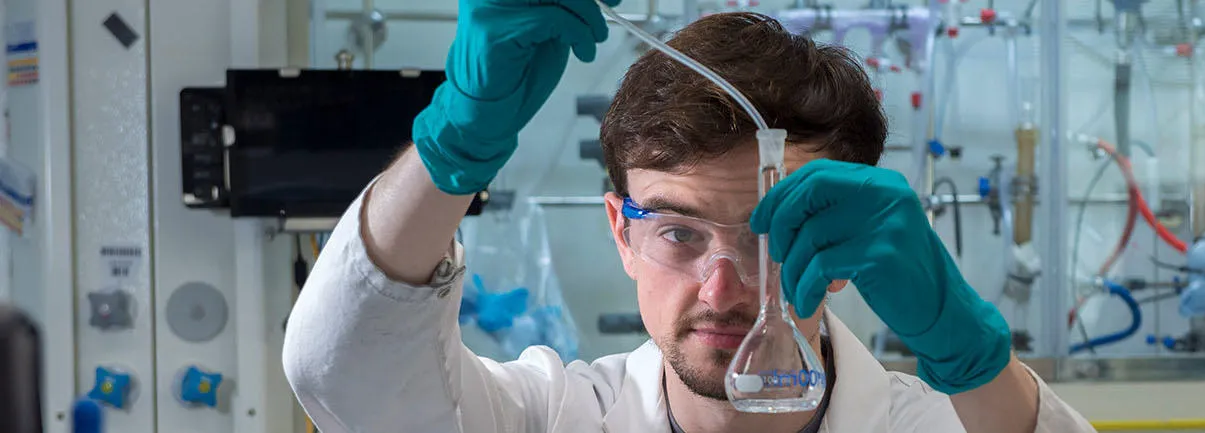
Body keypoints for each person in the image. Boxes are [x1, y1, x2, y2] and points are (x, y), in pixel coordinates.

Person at [281, 0, 1094, 431]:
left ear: (849, 248)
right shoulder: (550, 420)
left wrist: (974, 358)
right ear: (620, 230)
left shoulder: (933, 431)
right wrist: (450, 144)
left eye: (774, 235)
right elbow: (339, 368)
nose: (723, 285)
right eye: (678, 231)